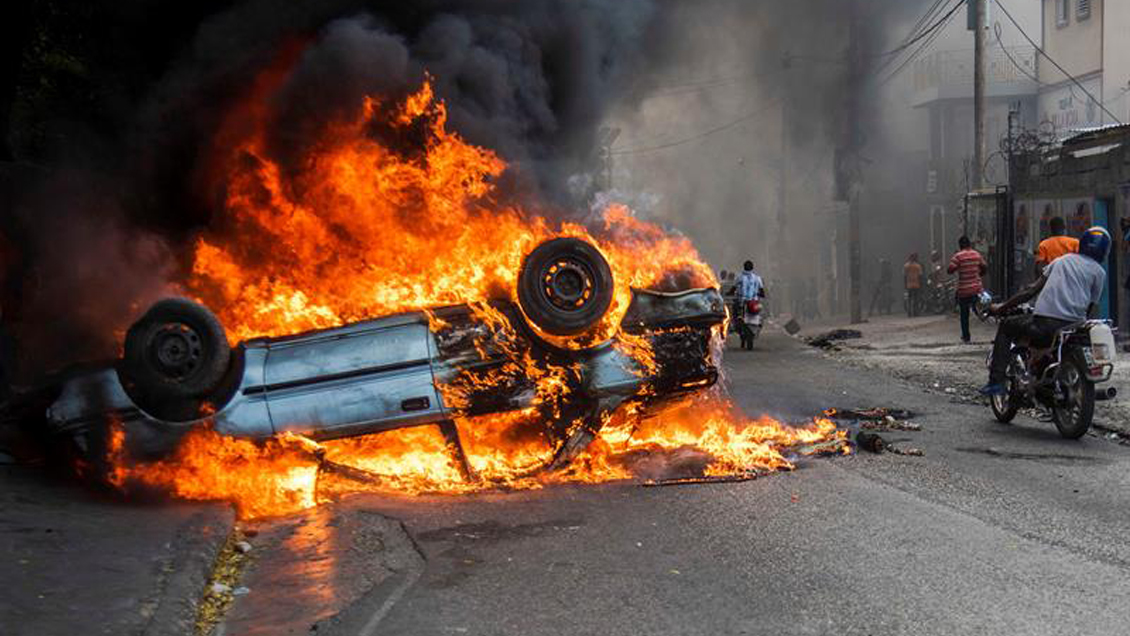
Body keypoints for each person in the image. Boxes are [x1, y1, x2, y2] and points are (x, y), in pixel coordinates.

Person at [981, 227, 1110, 395]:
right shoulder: (1100, 273)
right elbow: (1091, 306)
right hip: (1074, 327)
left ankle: (996, 382)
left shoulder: (1062, 261)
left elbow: (1030, 291)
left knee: (1006, 326)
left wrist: (1001, 307)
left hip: (1045, 326)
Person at [948, 236, 987, 343]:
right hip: (976, 289)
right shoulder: (976, 254)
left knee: (964, 315)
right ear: (970, 244)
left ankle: (966, 336)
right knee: (981, 310)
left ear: (960, 245)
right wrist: (980, 274)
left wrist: (959, 266)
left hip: (964, 290)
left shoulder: (958, 256)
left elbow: (950, 270)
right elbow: (984, 266)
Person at [734, 260, 765, 350]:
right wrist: (760, 294)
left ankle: (737, 326)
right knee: (760, 316)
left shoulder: (739, 277)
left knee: (735, 315)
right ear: (752, 268)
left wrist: (731, 292)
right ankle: (756, 327)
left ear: (744, 267)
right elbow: (762, 291)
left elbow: (734, 288)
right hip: (754, 302)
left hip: (742, 301)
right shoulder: (757, 278)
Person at [904, 253, 923, 317]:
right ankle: (915, 313)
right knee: (916, 300)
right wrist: (921, 284)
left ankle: (909, 313)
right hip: (916, 285)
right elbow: (920, 276)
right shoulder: (918, 266)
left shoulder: (906, 265)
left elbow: (905, 276)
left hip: (909, 285)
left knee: (909, 300)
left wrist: (905, 285)